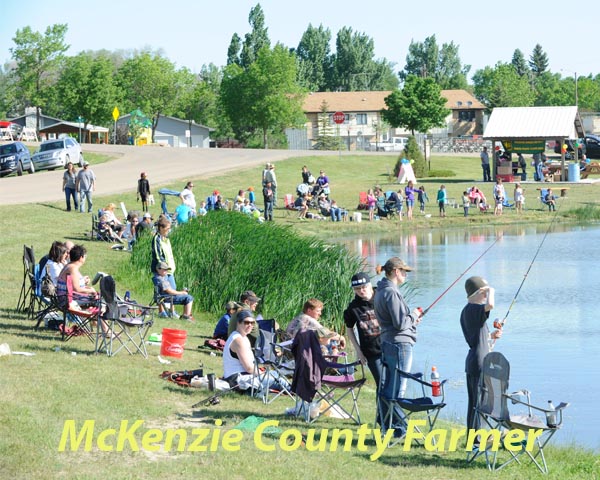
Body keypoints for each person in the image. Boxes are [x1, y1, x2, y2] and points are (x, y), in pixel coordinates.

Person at [373, 257, 422, 399]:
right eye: (404, 271)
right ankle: (396, 421)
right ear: (396, 271)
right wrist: (414, 314)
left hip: (388, 341)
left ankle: (387, 419)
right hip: (400, 344)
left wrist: (412, 321)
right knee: (400, 386)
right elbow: (400, 323)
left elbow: (394, 320)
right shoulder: (391, 292)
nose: (406, 274)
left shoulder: (381, 290)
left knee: (391, 384)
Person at [460, 276, 502, 433]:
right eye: (484, 292)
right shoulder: (473, 309)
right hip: (479, 362)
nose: (485, 296)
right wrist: (492, 291)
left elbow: (477, 336)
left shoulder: (468, 311)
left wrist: (491, 336)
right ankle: (477, 439)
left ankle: (473, 438)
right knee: (480, 402)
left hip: (474, 360)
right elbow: (490, 304)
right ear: (477, 292)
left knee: (475, 402)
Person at [344, 272, 382, 390]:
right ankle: (382, 409)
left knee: (394, 384)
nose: (361, 291)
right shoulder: (353, 307)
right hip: (371, 352)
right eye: (357, 289)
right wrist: (358, 351)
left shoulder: (382, 298)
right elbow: (349, 329)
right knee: (381, 384)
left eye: (364, 287)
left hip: (389, 347)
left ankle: (392, 408)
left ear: (370, 285)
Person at [56, 244, 97, 308]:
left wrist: (84, 283)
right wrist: (91, 291)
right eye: (85, 256)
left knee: (99, 299)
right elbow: (77, 289)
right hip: (67, 300)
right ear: (81, 257)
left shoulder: (70, 266)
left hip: (66, 297)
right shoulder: (73, 269)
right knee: (100, 301)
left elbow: (74, 285)